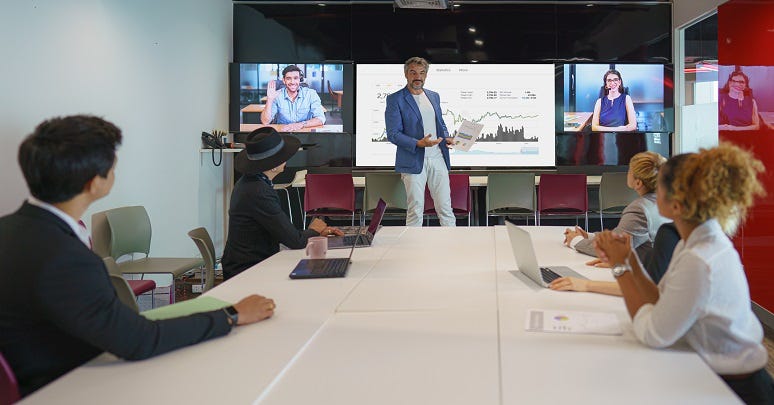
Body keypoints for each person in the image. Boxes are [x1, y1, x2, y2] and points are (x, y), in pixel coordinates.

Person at [0, 115, 276, 397]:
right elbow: (139, 341)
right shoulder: (66, 258)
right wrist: (232, 315)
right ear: (95, 183)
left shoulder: (10, 230)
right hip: (68, 387)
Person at [595, 144, 772, 404]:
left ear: (676, 205)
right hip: (719, 376)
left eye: (661, 187)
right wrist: (628, 257)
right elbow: (658, 299)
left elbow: (652, 334)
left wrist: (620, 269)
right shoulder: (696, 241)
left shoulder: (699, 259)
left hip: (733, 389)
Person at [221, 126, 343, 279]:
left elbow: (285, 232)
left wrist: (315, 233)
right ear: (273, 166)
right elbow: (295, 241)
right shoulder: (258, 192)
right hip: (247, 271)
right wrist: (314, 230)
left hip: (250, 264)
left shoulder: (251, 183)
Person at [385, 56, 455, 227]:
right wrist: (418, 143)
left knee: (445, 208)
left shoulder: (434, 96)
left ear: (426, 75)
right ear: (406, 74)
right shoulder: (396, 99)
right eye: (413, 72)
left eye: (422, 73)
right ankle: (413, 251)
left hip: (438, 157)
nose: (418, 77)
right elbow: (393, 134)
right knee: (416, 210)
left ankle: (452, 246)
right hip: (413, 158)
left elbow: (440, 123)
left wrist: (446, 137)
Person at [562, 151, 670, 263]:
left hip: (640, 274)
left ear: (638, 183)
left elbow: (613, 249)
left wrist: (575, 240)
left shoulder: (640, 209)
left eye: (630, 171)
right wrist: (588, 236)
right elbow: (619, 235)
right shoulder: (665, 202)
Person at [549, 222, 679, 296]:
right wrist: (625, 263)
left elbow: (650, 292)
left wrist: (588, 285)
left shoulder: (669, 235)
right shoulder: (676, 234)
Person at [261, 65, 326, 132]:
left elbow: (320, 119)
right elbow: (265, 121)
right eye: (288, 78)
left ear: (299, 79)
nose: (292, 82)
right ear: (284, 80)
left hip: (305, 133)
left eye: (295, 78)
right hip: (283, 134)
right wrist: (270, 99)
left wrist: (300, 125)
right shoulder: (277, 95)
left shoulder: (311, 94)